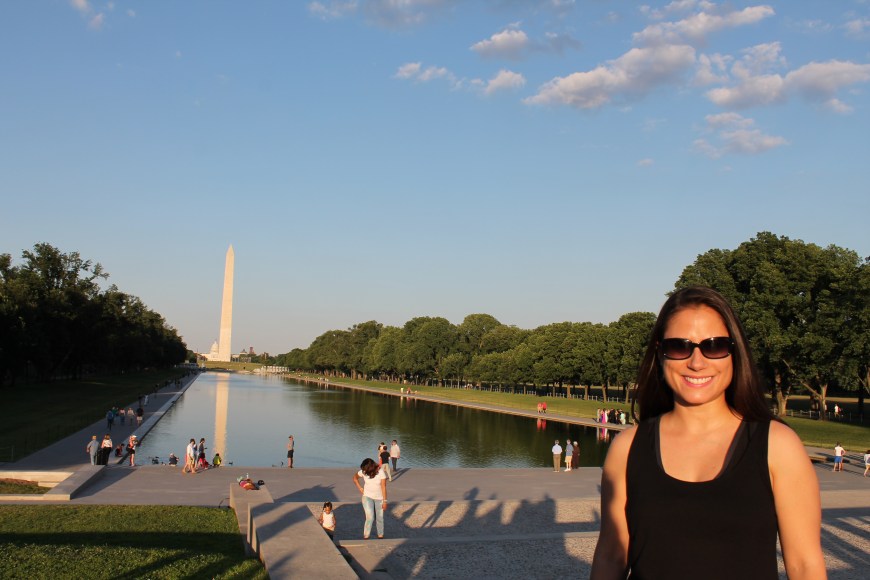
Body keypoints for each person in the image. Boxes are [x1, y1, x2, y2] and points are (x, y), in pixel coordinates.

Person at [591, 286, 825, 579]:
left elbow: (805, 565)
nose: (697, 362)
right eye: (680, 346)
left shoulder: (777, 445)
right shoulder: (627, 448)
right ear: (660, 354)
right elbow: (611, 557)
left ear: (734, 353)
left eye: (714, 346)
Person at [352, 457, 388, 539]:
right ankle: (366, 536)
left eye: (365, 469)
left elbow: (383, 487)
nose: (364, 471)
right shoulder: (363, 472)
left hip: (379, 498)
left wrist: (385, 501)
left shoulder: (381, 472)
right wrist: (360, 488)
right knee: (370, 517)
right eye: (363, 469)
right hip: (367, 496)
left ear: (370, 467)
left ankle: (380, 535)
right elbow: (355, 478)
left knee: (380, 517)